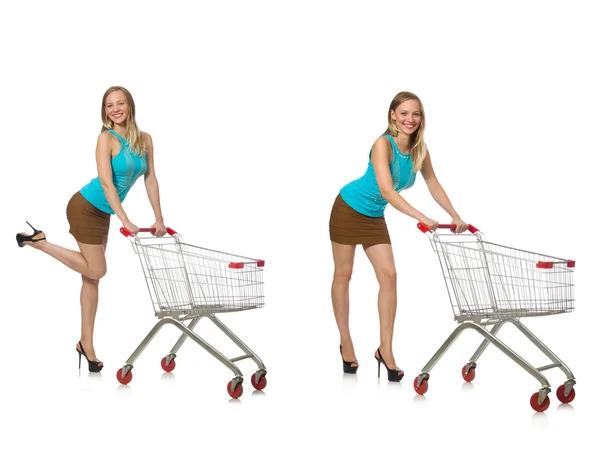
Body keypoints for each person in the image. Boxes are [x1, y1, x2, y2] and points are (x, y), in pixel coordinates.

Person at [16, 85, 167, 373]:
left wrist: (159, 218)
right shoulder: (105, 139)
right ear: (105, 111)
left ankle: (86, 343)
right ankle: (40, 242)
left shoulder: (145, 140)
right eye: (109, 105)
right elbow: (108, 183)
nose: (115, 109)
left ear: (130, 106)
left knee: (90, 277)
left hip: (104, 213)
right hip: (85, 207)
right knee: (97, 270)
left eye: (120, 103)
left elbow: (151, 179)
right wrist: (125, 219)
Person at [329, 91, 468, 381]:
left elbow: (433, 183)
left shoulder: (419, 149)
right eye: (404, 113)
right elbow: (388, 191)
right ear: (392, 114)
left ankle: (385, 350)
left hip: (374, 217)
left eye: (415, 114)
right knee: (344, 274)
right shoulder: (383, 144)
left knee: (389, 276)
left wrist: (455, 216)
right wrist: (422, 217)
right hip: (348, 208)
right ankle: (346, 342)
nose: (410, 119)